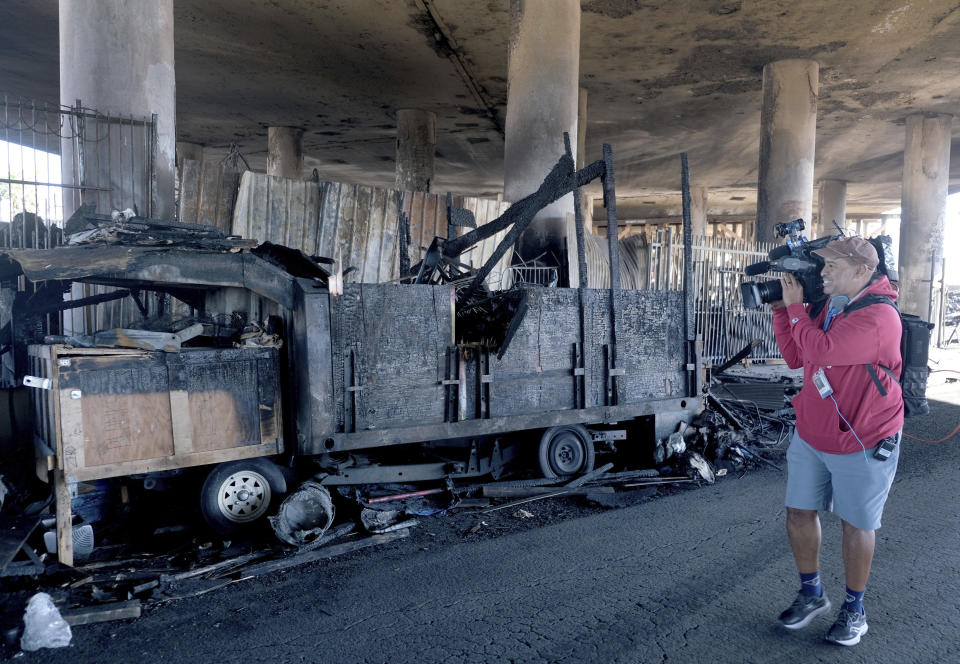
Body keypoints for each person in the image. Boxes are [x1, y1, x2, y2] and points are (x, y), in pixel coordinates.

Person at [770, 235, 904, 646]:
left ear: (863, 271)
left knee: (856, 524)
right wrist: (781, 312)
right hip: (814, 430)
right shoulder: (832, 304)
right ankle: (811, 594)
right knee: (798, 513)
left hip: (864, 436)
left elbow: (823, 348)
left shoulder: (880, 316)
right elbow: (798, 357)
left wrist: (795, 309)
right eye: (823, 265)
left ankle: (854, 609)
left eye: (833, 266)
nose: (823, 272)